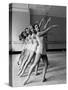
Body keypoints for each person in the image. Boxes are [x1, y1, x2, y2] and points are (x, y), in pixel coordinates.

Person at [23, 19, 58, 85]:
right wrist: (52, 26)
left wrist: (47, 22)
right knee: (34, 64)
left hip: (43, 51)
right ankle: (27, 78)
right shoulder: (38, 34)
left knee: (46, 64)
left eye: (38, 26)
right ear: (34, 29)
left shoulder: (41, 32)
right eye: (36, 27)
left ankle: (43, 78)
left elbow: (44, 28)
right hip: (39, 51)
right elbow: (46, 30)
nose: (38, 27)